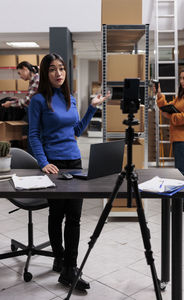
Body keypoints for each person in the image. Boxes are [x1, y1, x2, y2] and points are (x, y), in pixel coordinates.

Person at [28, 53, 110, 291]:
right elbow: (33, 134)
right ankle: (60, 257)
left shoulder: (70, 98)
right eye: (53, 69)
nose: (58, 73)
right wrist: (43, 162)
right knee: (57, 214)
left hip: (74, 161)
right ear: (46, 73)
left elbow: (75, 129)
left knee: (74, 216)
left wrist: (92, 109)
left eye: (61, 68)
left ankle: (69, 268)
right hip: (53, 163)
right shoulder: (38, 101)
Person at [155, 66, 184, 212]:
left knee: (182, 170)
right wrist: (160, 95)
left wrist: (170, 116)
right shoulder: (183, 95)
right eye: (180, 78)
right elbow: (168, 107)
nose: (181, 81)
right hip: (178, 138)